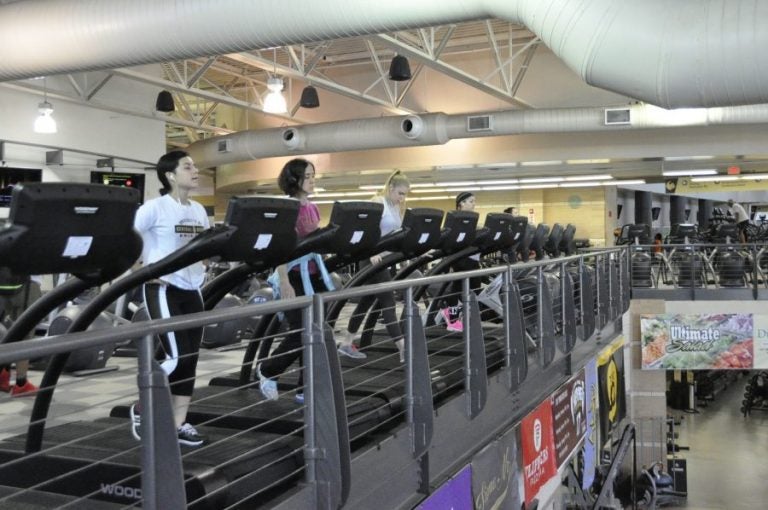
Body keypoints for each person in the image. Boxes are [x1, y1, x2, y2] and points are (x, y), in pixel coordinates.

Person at [129, 150, 210, 447]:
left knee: (190, 358)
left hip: (193, 289)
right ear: (171, 175)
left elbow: (206, 243)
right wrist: (140, 270)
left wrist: (207, 262)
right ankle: (141, 408)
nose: (195, 169)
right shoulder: (155, 208)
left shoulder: (199, 210)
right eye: (188, 166)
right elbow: (127, 237)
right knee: (176, 356)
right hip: (163, 288)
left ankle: (179, 423)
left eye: (194, 165)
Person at [258, 158, 337, 403]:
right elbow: (279, 247)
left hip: (315, 274)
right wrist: (283, 280)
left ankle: (306, 387)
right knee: (300, 331)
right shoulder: (288, 208)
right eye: (308, 175)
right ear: (295, 179)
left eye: (314, 175)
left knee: (316, 331)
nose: (313, 180)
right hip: (292, 275)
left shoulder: (312, 207)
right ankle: (268, 370)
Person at [339, 170, 409, 363]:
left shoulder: (397, 208)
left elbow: (395, 235)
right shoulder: (378, 202)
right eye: (400, 193)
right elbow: (366, 231)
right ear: (391, 188)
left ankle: (346, 343)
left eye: (405, 195)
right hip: (371, 260)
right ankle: (402, 348)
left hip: (385, 261)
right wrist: (372, 253)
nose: (402, 198)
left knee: (365, 303)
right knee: (388, 302)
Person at [438, 191, 482, 333]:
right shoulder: (455, 219)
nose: (474, 204)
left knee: (474, 286)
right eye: (470, 201)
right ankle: (451, 318)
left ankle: (453, 314)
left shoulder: (472, 219)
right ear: (460, 204)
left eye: (474, 201)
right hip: (459, 257)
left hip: (472, 258)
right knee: (458, 287)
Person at [0, 274, 41, 397]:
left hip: (5, 281)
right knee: (25, 333)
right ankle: (21, 384)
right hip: (27, 282)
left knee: (6, 329)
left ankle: (3, 375)